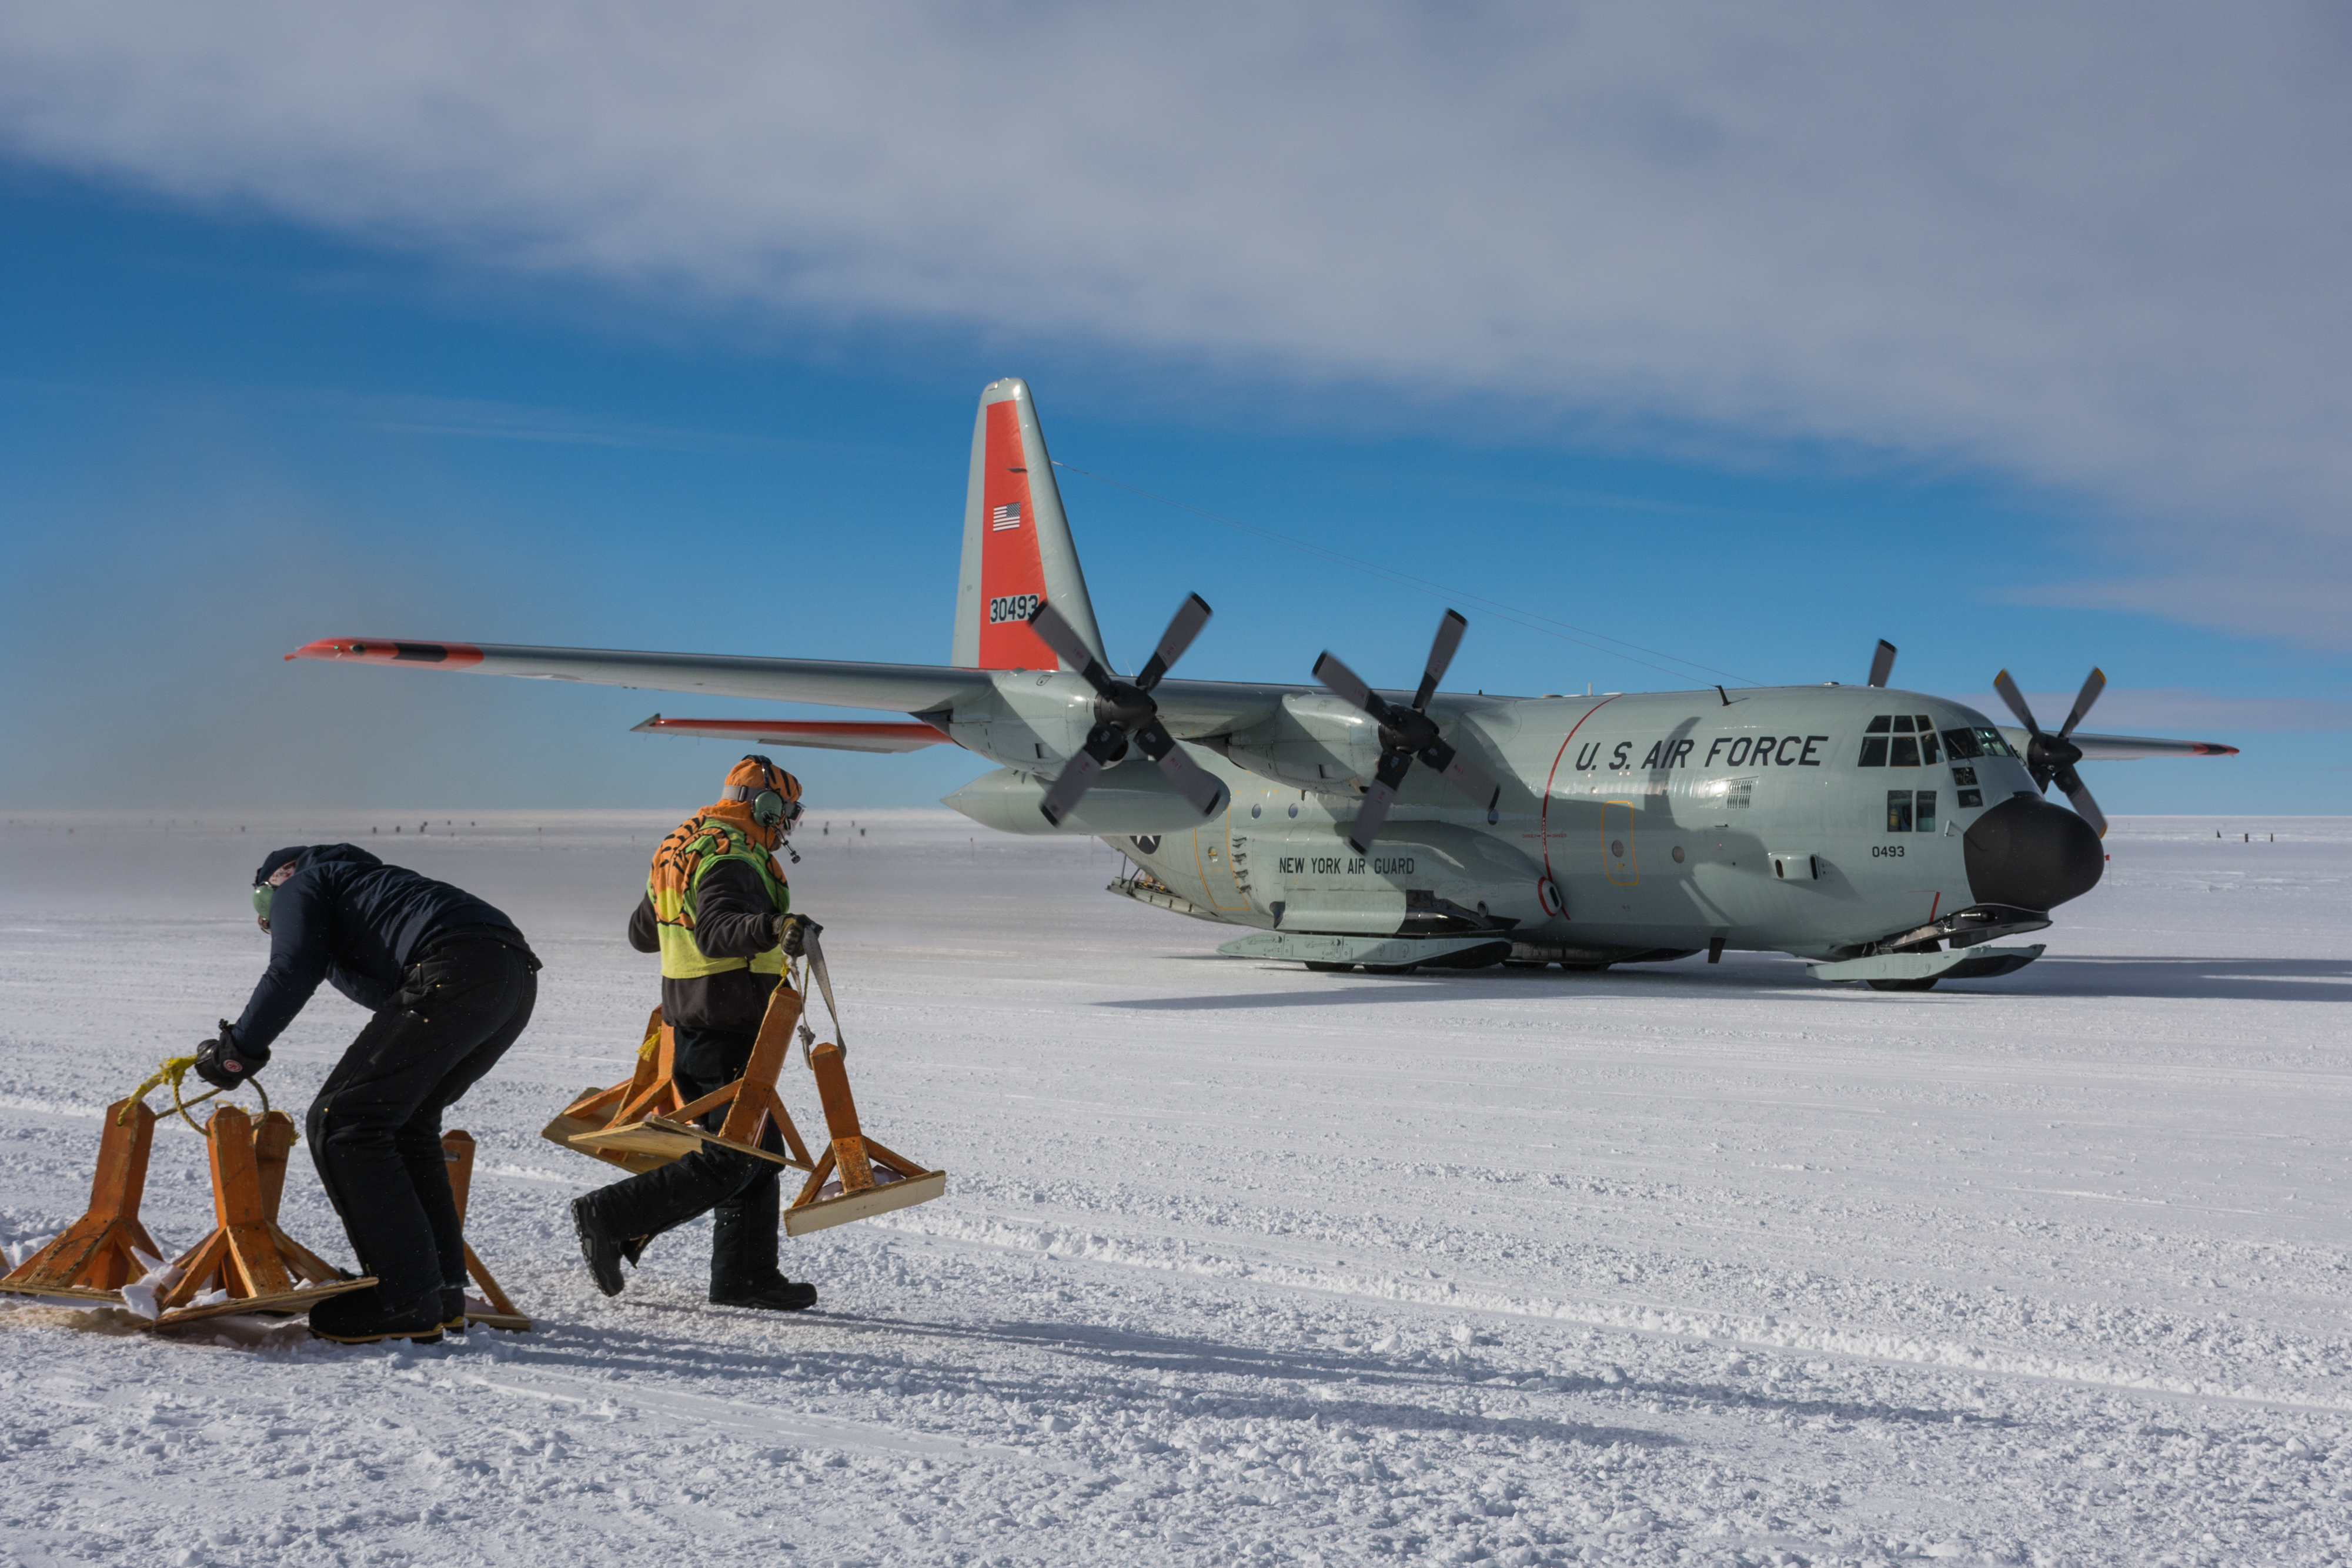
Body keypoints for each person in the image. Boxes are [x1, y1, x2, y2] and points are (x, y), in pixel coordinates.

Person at [195, 844, 538, 1345]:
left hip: (456, 963)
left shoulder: (304, 884)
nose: (268, 918)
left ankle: (406, 1298)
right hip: (512, 980)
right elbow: (387, 998)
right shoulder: (368, 890)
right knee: (407, 1123)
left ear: (281, 876)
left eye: (263, 903)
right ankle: (440, 1293)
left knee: (343, 1122)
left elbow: (291, 970)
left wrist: (236, 1052)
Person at [570, 756, 821, 1312]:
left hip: (698, 1019)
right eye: (787, 814)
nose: (788, 827)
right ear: (765, 806)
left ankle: (746, 1277)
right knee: (731, 1156)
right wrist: (773, 927)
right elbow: (715, 932)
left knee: (760, 1152)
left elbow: (644, 932)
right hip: (721, 1022)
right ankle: (608, 1215)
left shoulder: (682, 846)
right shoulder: (732, 858)